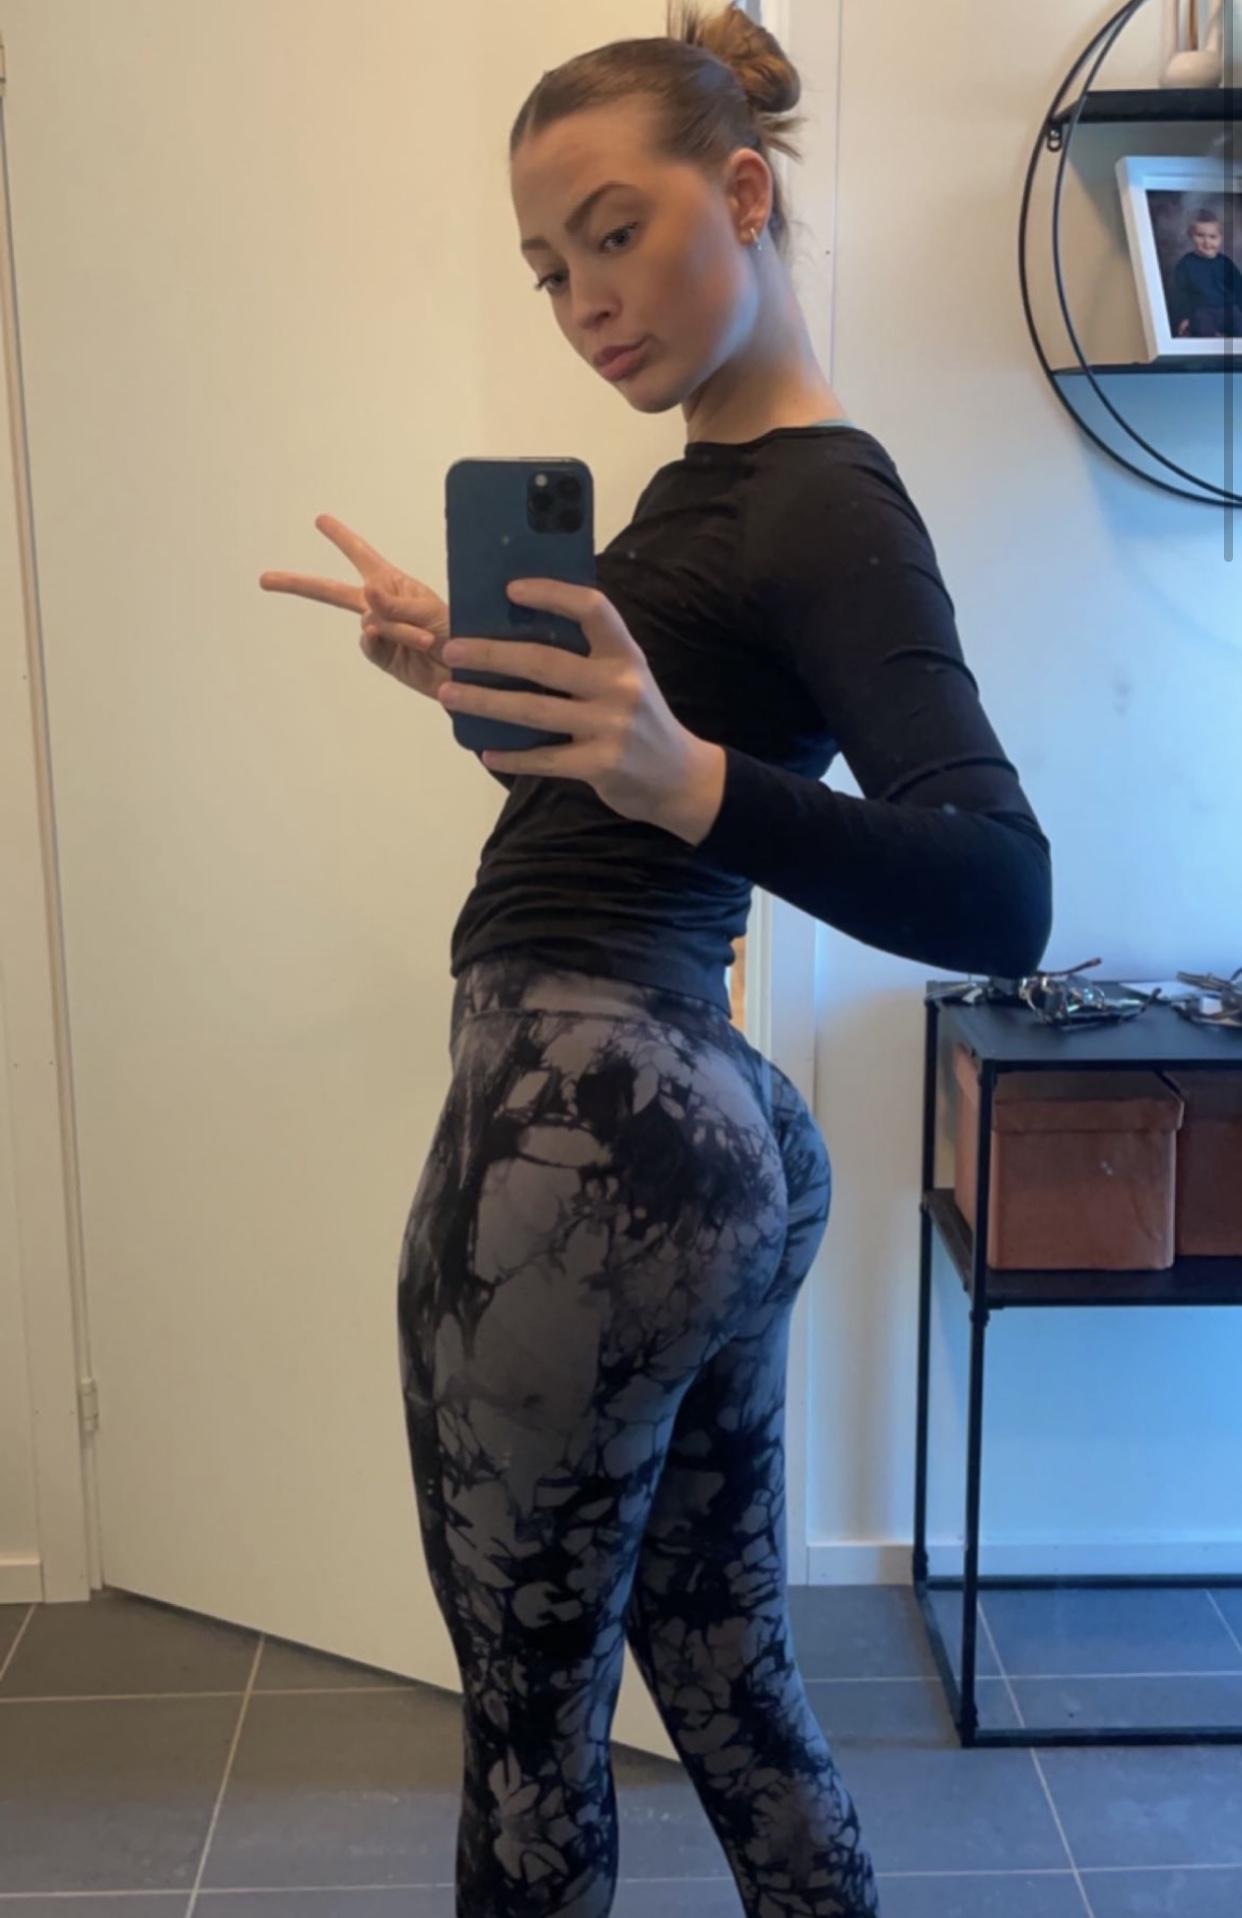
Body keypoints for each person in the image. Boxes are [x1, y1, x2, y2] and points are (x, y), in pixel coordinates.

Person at [260, 5, 1052, 1912]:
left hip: (585, 1135)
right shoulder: (712, 482)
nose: (582, 300)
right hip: (692, 1132)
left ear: (746, 194)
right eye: (548, 268)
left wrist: (683, 774)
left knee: (531, 1743)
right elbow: (636, 793)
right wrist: (484, 690)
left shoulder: (820, 494)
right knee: (726, 1679)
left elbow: (998, 891)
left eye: (613, 234)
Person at [1171, 208, 1242, 339]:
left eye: (1212, 237)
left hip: (1228, 309)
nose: (1207, 242)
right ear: (1191, 236)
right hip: (1202, 311)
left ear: (1220, 239)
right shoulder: (1185, 264)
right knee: (1202, 326)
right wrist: (1184, 317)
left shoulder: (1226, 263)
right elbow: (1180, 295)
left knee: (1238, 323)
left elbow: (1239, 289)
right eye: (1200, 235)